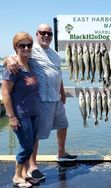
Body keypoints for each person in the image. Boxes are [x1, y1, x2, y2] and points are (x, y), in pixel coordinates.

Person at [5, 24, 77, 181]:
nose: (46, 36)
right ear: (37, 34)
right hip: (42, 100)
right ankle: (32, 166)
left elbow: (58, 73)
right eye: (43, 33)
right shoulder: (31, 49)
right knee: (35, 136)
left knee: (63, 125)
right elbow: (13, 58)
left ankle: (61, 153)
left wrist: (62, 92)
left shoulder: (55, 54)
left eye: (49, 33)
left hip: (56, 98)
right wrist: (8, 59)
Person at [2, 32, 39, 188]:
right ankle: (17, 176)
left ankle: (24, 174)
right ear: (15, 47)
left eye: (28, 45)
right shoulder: (13, 68)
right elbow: (5, 93)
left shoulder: (29, 65)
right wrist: (11, 116)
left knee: (30, 143)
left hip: (33, 113)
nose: (25, 48)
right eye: (21, 45)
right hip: (21, 114)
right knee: (26, 146)